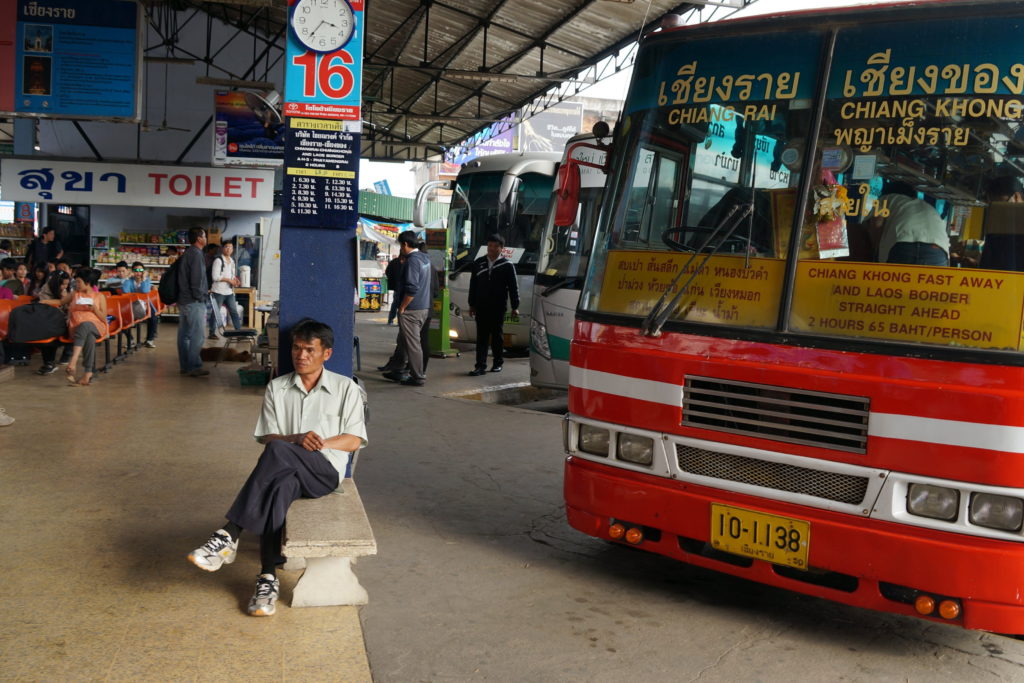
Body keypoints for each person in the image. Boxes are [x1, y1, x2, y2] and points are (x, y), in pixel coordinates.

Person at [186, 319, 368, 617]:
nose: (301, 356)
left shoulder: (345, 388)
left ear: (327, 354)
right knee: (279, 485)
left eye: (310, 349)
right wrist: (295, 438)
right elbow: (268, 436)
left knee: (279, 450)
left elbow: (354, 439)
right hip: (286, 469)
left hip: (324, 473)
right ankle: (267, 578)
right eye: (296, 348)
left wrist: (319, 444)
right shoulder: (277, 388)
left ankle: (230, 532)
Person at [381, 231, 431, 386]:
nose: (400, 249)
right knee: (403, 340)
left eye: (400, 245)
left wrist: (402, 307)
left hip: (411, 310)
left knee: (413, 344)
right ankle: (397, 369)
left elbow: (412, 289)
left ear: (405, 244)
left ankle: (418, 377)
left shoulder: (413, 261)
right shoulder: (424, 258)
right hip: (423, 307)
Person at [467, 234, 520, 376]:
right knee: (482, 338)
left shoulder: (507, 265)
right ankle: (480, 366)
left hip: (498, 307)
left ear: (501, 248)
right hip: (481, 307)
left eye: (495, 246)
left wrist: (515, 306)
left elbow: (513, 287)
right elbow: (473, 285)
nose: (492, 248)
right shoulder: (478, 263)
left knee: (497, 337)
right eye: (490, 245)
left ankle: (497, 363)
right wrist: (472, 305)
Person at [869, 181, 949, 266]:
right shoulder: (926, 205)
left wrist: (875, 249)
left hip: (905, 246)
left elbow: (877, 222)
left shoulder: (886, 198)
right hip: (938, 251)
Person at [62, 267, 108, 387]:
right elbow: (60, 302)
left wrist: (94, 309)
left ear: (87, 283)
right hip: (77, 328)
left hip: (97, 326)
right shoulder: (74, 294)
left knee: (86, 325)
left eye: (78, 282)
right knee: (89, 338)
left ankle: (73, 362)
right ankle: (88, 374)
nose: (76, 284)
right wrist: (43, 302)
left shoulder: (99, 296)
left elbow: (103, 318)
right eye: (76, 281)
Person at [177, 227, 210, 377]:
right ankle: (194, 366)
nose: (206, 238)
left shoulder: (188, 253)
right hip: (193, 301)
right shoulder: (196, 254)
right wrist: (199, 296)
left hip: (184, 300)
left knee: (184, 335)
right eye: (205, 236)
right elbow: (196, 279)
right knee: (197, 335)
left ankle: (185, 365)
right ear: (199, 238)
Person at [122, 261, 159, 348]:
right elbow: (125, 291)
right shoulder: (129, 281)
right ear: (132, 271)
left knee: (153, 317)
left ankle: (150, 340)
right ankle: (130, 340)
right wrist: (127, 278)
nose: (138, 273)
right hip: (132, 304)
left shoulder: (146, 280)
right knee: (121, 318)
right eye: (135, 270)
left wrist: (144, 278)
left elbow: (145, 291)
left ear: (143, 271)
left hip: (146, 303)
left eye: (140, 270)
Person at [210, 239, 243, 333]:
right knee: (216, 312)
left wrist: (235, 280)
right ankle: (212, 332)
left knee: (234, 311)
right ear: (222, 248)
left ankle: (238, 331)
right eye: (226, 247)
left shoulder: (232, 261)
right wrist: (229, 280)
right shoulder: (218, 260)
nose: (229, 249)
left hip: (229, 291)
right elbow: (215, 277)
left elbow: (232, 275)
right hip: (218, 291)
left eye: (231, 247)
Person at [203, 243, 221, 339]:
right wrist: (206, 287)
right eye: (215, 250)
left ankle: (211, 332)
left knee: (213, 309)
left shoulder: (216, 259)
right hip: (205, 287)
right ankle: (203, 330)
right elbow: (204, 274)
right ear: (210, 250)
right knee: (204, 309)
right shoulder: (205, 259)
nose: (216, 252)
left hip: (212, 287)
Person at [384, 254, 402, 326]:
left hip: (396, 286)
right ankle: (399, 321)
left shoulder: (393, 262)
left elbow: (387, 272)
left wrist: (393, 280)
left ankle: (390, 320)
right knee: (400, 304)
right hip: (402, 286)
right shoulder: (405, 262)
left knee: (395, 303)